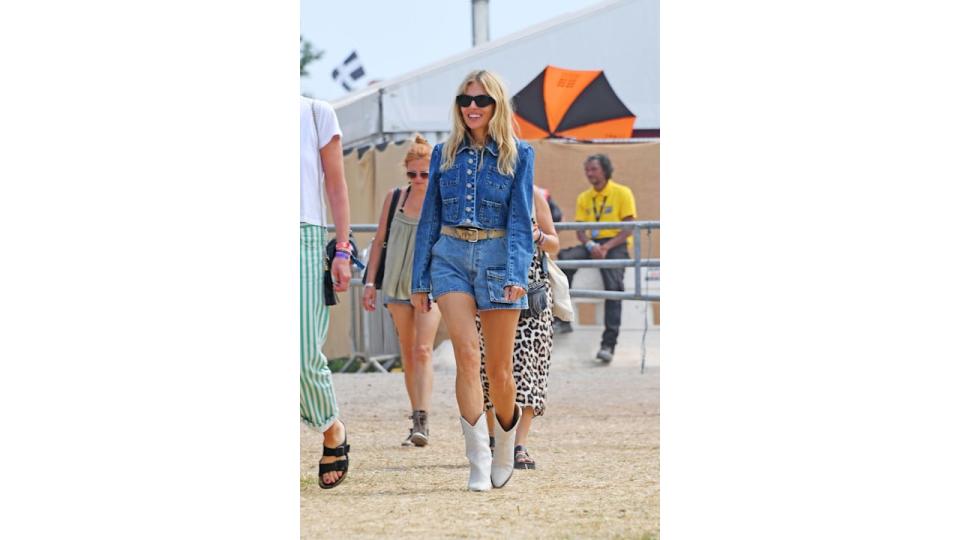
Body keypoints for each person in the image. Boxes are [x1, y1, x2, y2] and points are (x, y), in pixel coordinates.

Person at [410, 70, 535, 491]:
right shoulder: (443, 153)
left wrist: (518, 273)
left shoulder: (519, 154)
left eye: (481, 101)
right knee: (466, 355)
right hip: (450, 257)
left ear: (497, 105)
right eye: (465, 100)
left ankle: (504, 447)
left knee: (499, 371)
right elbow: (429, 216)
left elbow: (520, 220)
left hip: (500, 260)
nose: (472, 108)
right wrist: (420, 277)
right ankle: (478, 461)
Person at [361, 134, 442, 448]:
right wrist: (369, 282)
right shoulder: (395, 197)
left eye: (425, 173)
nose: (419, 179)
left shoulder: (441, 200)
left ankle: (423, 419)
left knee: (423, 349)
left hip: (430, 283)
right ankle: (415, 417)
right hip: (396, 281)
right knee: (408, 353)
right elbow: (380, 240)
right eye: (413, 174)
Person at [479, 185, 559, 470]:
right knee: (489, 368)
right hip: (489, 285)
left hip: (531, 291)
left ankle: (518, 444)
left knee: (527, 370)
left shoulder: (534, 195)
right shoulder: (482, 190)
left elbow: (554, 244)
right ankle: (492, 438)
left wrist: (536, 234)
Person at [301, 96, 352, 489]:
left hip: (304, 235)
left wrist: (343, 249)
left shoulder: (316, 113)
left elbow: (336, 185)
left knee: (302, 354)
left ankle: (331, 427)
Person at [556, 154, 637, 364]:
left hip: (615, 243)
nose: (589, 173)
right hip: (593, 244)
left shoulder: (622, 192)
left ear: (605, 170)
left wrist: (607, 246)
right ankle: (563, 319)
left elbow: (628, 227)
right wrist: (592, 246)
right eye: (587, 170)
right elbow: (580, 229)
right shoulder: (584, 196)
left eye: (593, 169)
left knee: (614, 287)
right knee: (564, 260)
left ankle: (608, 344)